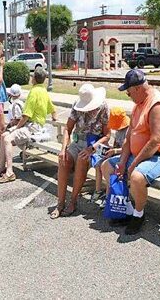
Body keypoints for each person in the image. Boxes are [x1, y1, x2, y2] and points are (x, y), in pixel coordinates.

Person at [102, 69, 160, 234]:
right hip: (139, 156)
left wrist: (133, 164)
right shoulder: (138, 104)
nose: (128, 95)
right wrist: (122, 162)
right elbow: (129, 137)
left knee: (136, 176)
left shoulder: (157, 105)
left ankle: (138, 214)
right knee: (107, 166)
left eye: (128, 92)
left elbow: (155, 141)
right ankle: (127, 209)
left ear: (137, 88)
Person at [50, 83, 111, 219]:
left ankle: (73, 201)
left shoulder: (104, 107)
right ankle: (60, 203)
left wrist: (92, 148)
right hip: (78, 141)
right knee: (63, 161)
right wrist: (63, 148)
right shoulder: (76, 106)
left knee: (82, 160)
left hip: (94, 144)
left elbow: (107, 135)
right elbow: (68, 129)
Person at [0, 67, 57, 183]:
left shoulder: (34, 92)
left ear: (34, 79)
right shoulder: (44, 91)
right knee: (4, 135)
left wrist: (17, 127)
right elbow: (53, 110)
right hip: (37, 126)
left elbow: (26, 116)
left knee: (7, 139)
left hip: (32, 127)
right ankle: (1, 168)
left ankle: (9, 172)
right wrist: (54, 117)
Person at [91, 107, 130, 204]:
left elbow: (129, 149)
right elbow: (116, 145)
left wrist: (114, 151)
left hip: (126, 157)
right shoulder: (119, 131)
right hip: (117, 155)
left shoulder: (129, 130)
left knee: (108, 167)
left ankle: (111, 195)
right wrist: (108, 150)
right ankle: (100, 191)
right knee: (99, 163)